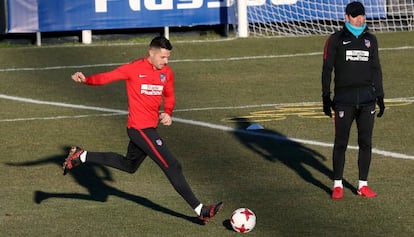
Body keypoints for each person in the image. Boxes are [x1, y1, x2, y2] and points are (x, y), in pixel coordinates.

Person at [63, 36, 223, 222]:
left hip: (149, 128)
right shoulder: (133, 68)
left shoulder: (167, 73)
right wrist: (86, 80)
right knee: (172, 165)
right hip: (140, 129)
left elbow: (169, 96)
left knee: (128, 166)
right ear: (151, 53)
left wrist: (168, 112)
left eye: (168, 57)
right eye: (163, 57)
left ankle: (82, 155)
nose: (166, 61)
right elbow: (107, 77)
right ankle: (201, 210)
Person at [321, 1, 385, 199]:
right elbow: (327, 69)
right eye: (355, 15)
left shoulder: (371, 40)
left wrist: (380, 96)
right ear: (346, 17)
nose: (359, 19)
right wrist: (325, 96)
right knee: (341, 142)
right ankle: (337, 184)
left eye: (362, 15)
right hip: (343, 100)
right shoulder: (335, 40)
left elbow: (376, 68)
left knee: (365, 142)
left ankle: (362, 184)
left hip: (367, 100)